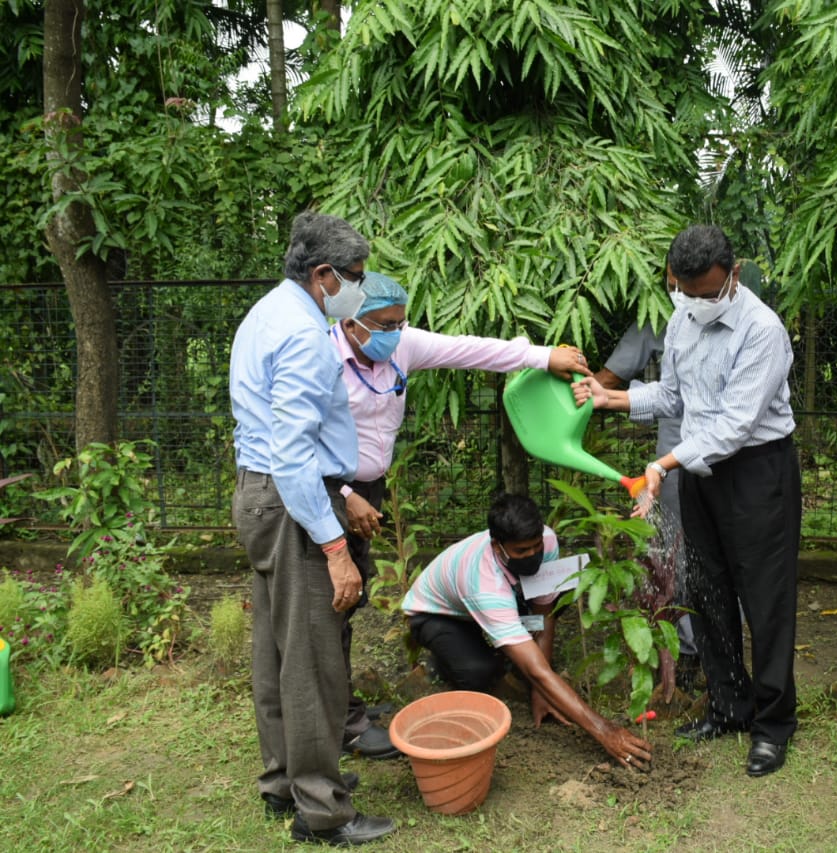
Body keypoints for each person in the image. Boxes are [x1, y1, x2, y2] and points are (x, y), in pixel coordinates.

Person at [572, 224, 801, 778]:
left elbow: (734, 426)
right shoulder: (680, 318)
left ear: (734, 274)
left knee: (765, 601)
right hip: (698, 471)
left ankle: (772, 725)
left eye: (708, 292)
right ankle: (728, 706)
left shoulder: (762, 331)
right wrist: (613, 397)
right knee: (706, 586)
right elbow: (672, 396)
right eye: (687, 291)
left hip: (755, 471)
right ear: (674, 280)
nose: (697, 303)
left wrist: (660, 465)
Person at [329, 271, 584, 761]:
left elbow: (471, 350)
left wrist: (541, 356)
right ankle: (342, 723)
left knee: (347, 602)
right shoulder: (321, 357)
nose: (396, 333)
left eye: (401, 323)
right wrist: (342, 492)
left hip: (368, 491)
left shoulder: (399, 345)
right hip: (329, 489)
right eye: (385, 324)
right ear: (352, 321)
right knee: (329, 606)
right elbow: (295, 438)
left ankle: (347, 716)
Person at [230, 211, 395, 846]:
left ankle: (282, 783)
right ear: (322, 275)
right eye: (355, 277)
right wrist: (334, 547)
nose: (360, 287)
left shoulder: (266, 313)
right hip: (293, 499)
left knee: (275, 651)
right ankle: (323, 809)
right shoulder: (303, 334)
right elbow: (293, 452)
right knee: (314, 660)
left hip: (257, 494)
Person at [400, 492, 653, 768]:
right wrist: (605, 731)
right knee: (479, 672)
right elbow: (537, 671)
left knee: (560, 593)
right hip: (436, 615)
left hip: (501, 599)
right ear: (497, 546)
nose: (532, 555)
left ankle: (501, 645)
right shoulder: (484, 583)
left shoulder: (546, 538)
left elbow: (544, 612)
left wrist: (540, 690)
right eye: (521, 551)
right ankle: (446, 658)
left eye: (535, 547)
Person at [593, 273, 698, 678]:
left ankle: (710, 644)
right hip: (671, 456)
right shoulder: (659, 320)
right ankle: (682, 650)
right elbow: (663, 394)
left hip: (720, 455)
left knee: (714, 550)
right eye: (674, 278)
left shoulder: (749, 325)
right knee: (672, 547)